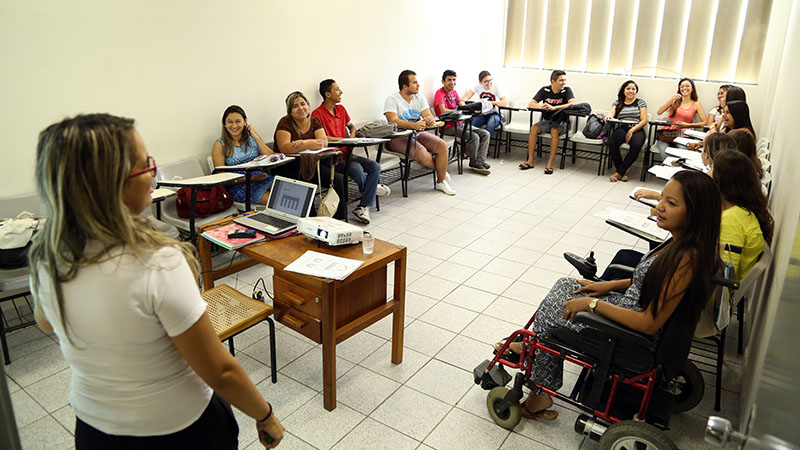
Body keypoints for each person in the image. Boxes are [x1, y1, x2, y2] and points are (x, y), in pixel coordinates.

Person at [29, 114, 284, 449]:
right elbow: (219, 370)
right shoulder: (157, 261)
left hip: (95, 428)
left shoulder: (48, 256)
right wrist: (265, 415)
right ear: (111, 185)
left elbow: (46, 322)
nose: (153, 171)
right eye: (144, 164)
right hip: (180, 429)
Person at [498, 170, 721, 420]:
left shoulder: (686, 260)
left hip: (628, 335)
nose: (660, 207)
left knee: (553, 320)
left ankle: (538, 386)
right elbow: (650, 282)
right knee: (567, 285)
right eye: (662, 199)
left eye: (671, 203)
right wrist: (608, 286)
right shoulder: (682, 243)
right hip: (627, 310)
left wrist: (592, 305)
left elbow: (648, 323)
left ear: (696, 212)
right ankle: (531, 348)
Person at [312, 79, 391, 224]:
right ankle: (370, 191)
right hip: (331, 157)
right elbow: (321, 137)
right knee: (356, 168)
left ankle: (363, 205)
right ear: (327, 94)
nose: (341, 92)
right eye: (337, 89)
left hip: (347, 152)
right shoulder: (317, 114)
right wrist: (342, 140)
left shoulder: (341, 109)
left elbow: (352, 127)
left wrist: (351, 139)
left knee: (375, 166)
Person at [384, 69, 455, 195]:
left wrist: (429, 119)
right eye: (415, 82)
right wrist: (413, 125)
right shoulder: (392, 99)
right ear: (405, 86)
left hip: (417, 133)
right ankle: (441, 172)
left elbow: (427, 114)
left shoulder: (419, 97)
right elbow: (393, 120)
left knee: (442, 146)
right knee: (422, 152)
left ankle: (440, 181)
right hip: (398, 137)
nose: (418, 85)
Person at [211, 105, 275, 205]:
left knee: (286, 192)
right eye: (230, 122)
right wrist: (251, 178)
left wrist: (256, 138)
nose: (234, 126)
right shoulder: (219, 145)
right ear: (225, 124)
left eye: (238, 121)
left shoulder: (252, 139)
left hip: (261, 178)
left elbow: (272, 157)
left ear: (245, 121)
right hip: (239, 187)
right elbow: (221, 178)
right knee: (276, 202)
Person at [433, 69, 491, 175]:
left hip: (460, 124)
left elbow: (462, 106)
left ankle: (480, 161)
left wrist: (472, 107)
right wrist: (457, 110)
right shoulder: (439, 93)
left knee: (485, 134)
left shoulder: (454, 93)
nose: (452, 82)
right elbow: (443, 111)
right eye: (449, 80)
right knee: (474, 137)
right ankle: (473, 163)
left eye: (454, 80)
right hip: (447, 127)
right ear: (443, 82)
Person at [521, 70, 576, 174]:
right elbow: (531, 103)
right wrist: (542, 106)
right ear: (553, 81)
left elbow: (572, 103)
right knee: (534, 128)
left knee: (554, 131)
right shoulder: (544, 90)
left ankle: (550, 164)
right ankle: (530, 161)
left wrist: (554, 108)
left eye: (564, 80)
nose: (563, 82)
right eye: (561, 80)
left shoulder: (567, 90)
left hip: (562, 123)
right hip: (547, 121)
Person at [605, 80, 648, 182]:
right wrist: (609, 115)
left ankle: (618, 173)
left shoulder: (640, 102)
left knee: (636, 145)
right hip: (622, 128)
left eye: (633, 89)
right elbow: (611, 112)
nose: (631, 91)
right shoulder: (617, 102)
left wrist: (632, 130)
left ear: (636, 91)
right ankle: (622, 172)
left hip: (637, 128)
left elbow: (644, 120)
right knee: (612, 142)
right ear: (623, 90)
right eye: (628, 88)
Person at [654, 78, 707, 160]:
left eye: (687, 86)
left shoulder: (696, 104)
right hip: (666, 135)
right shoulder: (675, 101)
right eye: (682, 86)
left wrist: (688, 125)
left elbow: (705, 123)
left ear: (692, 89)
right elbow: (659, 112)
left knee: (682, 156)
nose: (684, 88)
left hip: (683, 136)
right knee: (666, 157)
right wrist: (672, 99)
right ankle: (671, 171)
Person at [462, 70, 508, 138]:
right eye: (486, 81)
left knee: (490, 126)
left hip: (495, 114)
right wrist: (465, 103)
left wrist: (489, 103)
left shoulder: (496, 87)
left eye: (490, 80)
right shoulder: (477, 86)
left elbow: (504, 102)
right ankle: (474, 145)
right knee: (471, 125)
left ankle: (485, 148)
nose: (489, 83)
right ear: (480, 82)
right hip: (482, 113)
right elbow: (465, 98)